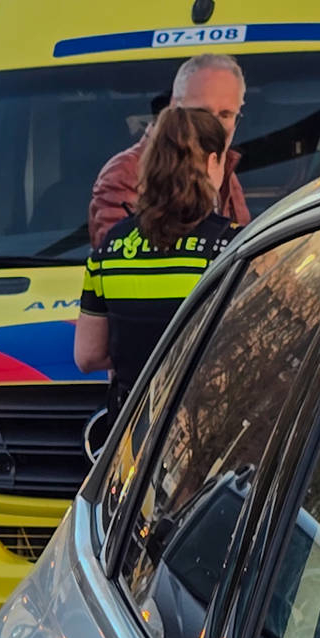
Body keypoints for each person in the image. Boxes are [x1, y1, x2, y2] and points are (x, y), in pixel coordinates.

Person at [76, 106, 237, 415]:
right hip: (206, 424)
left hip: (132, 426)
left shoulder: (110, 248)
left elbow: (88, 356)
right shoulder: (229, 247)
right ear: (212, 161)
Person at [89, 54, 252, 249]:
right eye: (202, 113)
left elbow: (243, 253)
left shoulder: (226, 171)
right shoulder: (126, 173)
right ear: (174, 106)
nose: (213, 125)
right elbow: (119, 256)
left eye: (225, 115)